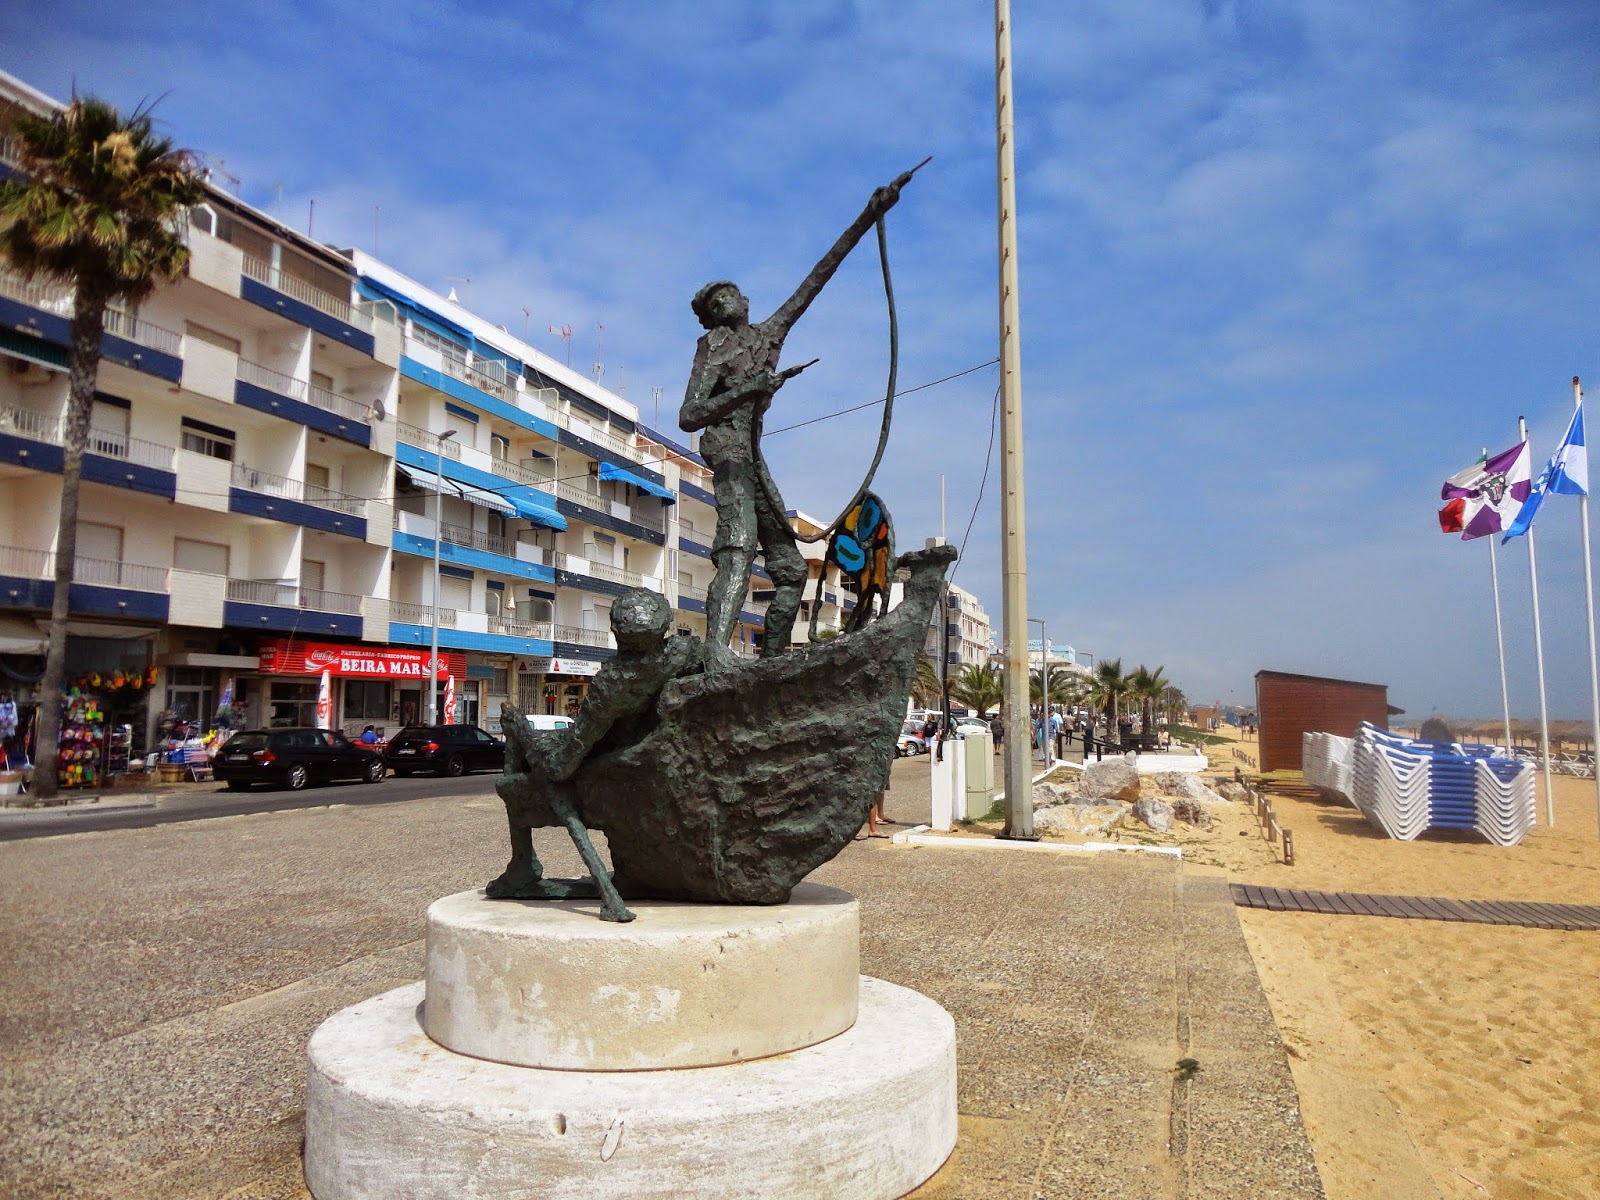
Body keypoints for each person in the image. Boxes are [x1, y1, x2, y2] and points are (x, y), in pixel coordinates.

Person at [681, 167, 919, 668]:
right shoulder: (713, 346)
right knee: (738, 542)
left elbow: (817, 277)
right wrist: (749, 389)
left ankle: (769, 666)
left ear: (744, 301)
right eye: (715, 301)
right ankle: (716, 655)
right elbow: (690, 415)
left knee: (790, 570)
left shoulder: (768, 334)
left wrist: (870, 214)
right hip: (726, 449)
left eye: (729, 294)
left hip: (753, 455)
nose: (725, 302)